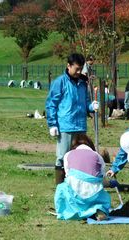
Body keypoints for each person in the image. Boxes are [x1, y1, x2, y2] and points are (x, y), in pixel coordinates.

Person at [45, 53, 99, 185]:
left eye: (81, 69)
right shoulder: (60, 82)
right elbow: (51, 103)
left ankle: (77, 184)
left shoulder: (83, 83)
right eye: (76, 69)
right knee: (62, 157)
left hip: (80, 126)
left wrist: (91, 106)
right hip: (65, 126)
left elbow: (85, 102)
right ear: (68, 66)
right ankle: (60, 186)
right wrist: (52, 124)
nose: (79, 72)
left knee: (80, 156)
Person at [54, 133, 113, 221]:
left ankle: (69, 211)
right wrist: (111, 183)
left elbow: (68, 176)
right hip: (94, 195)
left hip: (75, 195)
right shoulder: (98, 156)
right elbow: (102, 178)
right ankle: (98, 210)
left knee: (61, 188)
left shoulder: (68, 155)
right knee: (102, 197)